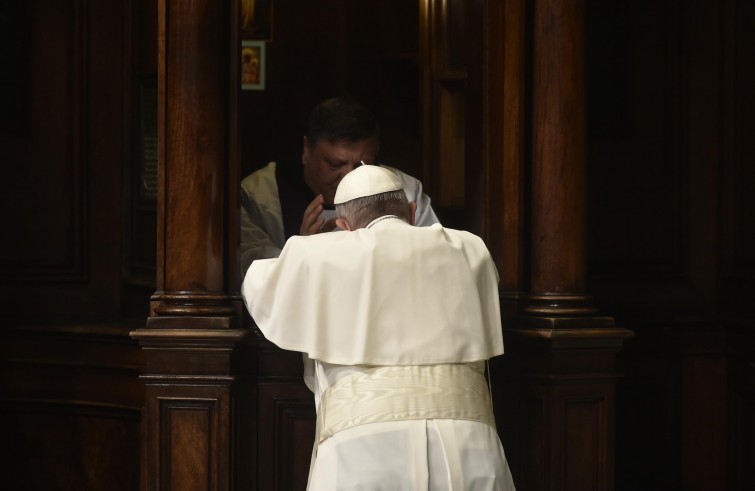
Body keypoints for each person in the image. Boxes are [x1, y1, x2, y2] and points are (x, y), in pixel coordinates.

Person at [242, 165, 516, 490]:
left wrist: (314, 248)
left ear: (343, 225)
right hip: (469, 445)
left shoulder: (315, 254)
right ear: (412, 212)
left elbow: (256, 282)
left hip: (363, 451)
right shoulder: (471, 249)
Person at [239, 96, 439, 274]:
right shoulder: (260, 194)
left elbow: (433, 261)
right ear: (307, 150)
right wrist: (301, 254)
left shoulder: (402, 190)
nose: (349, 179)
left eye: (362, 165)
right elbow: (252, 274)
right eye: (335, 164)